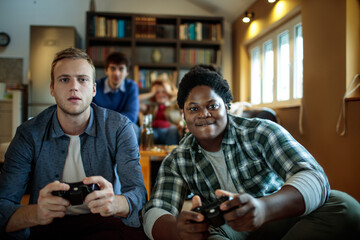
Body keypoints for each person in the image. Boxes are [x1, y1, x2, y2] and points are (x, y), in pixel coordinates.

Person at [142, 65, 360, 240]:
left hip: (277, 216)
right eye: (193, 108)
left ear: (227, 106)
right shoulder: (178, 159)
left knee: (345, 206)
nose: (204, 114)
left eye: (212, 106)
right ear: (183, 115)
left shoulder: (261, 131)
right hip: (228, 230)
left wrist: (263, 208)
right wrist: (177, 232)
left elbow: (314, 177)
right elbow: (156, 210)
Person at [0, 48, 148, 239]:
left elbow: (138, 194)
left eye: (82, 79)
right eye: (64, 79)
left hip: (103, 223)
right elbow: (3, 205)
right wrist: (35, 213)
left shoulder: (119, 128)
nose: (74, 87)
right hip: (46, 225)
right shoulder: (28, 134)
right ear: (52, 88)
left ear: (94, 89)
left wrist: (116, 203)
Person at [92, 52, 140, 141]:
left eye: (121, 69)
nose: (116, 73)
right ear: (106, 70)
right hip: (100, 127)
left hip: (122, 126)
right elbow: (91, 113)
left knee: (133, 128)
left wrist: (111, 126)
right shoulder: (96, 85)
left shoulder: (131, 86)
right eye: (112, 68)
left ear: (127, 72)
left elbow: (132, 116)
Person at [139, 78, 183, 145]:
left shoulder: (175, 105)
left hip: (169, 132)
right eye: (157, 92)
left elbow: (185, 97)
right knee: (143, 129)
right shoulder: (150, 107)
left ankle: (171, 154)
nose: (160, 95)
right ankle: (145, 154)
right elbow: (134, 101)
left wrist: (170, 92)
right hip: (153, 132)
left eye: (164, 92)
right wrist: (151, 93)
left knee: (173, 130)